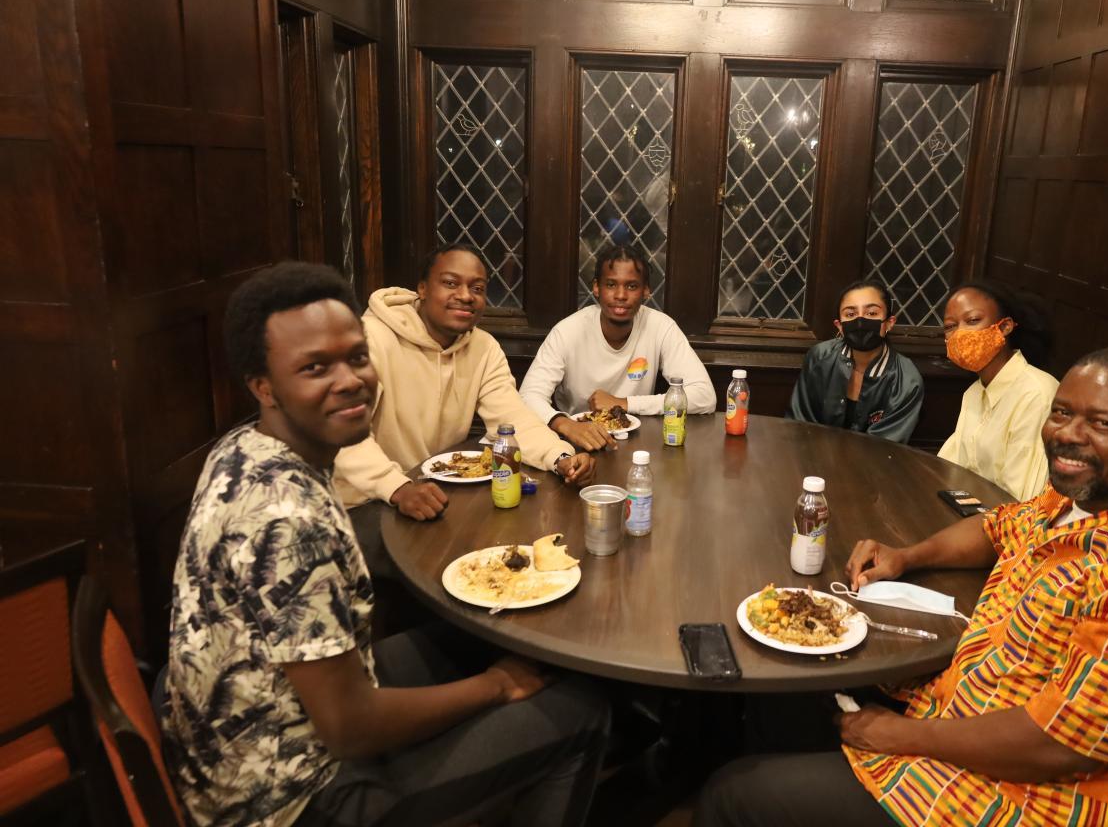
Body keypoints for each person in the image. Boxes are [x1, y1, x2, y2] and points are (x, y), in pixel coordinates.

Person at [693, 345, 1108, 827]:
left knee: (730, 795)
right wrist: (906, 556)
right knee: (780, 691)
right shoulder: (1077, 503)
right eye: (1063, 413)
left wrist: (898, 736)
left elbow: (1061, 743)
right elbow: (994, 528)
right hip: (959, 713)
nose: (1068, 434)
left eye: (1103, 424)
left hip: (1013, 796)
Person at [163, 262, 610, 827]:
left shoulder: (241, 449)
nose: (349, 379)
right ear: (263, 386)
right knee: (581, 710)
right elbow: (351, 726)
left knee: (471, 642)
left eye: (356, 357)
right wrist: (495, 687)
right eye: (314, 368)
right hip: (288, 796)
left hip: (250, 727)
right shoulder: (289, 519)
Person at [334, 244, 596, 520]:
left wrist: (561, 457)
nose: (465, 296)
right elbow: (344, 434)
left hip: (436, 491)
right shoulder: (368, 340)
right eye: (450, 283)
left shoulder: (484, 348)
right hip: (364, 501)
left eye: (477, 288)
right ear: (422, 289)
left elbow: (513, 420)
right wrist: (398, 487)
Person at [520, 244, 716, 452]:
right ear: (597, 287)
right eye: (611, 285)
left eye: (632, 286)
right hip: (576, 446)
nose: (621, 295)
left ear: (646, 290)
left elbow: (704, 397)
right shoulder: (568, 331)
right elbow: (528, 396)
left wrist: (624, 403)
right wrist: (567, 425)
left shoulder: (661, 327)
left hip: (638, 445)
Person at [938, 278, 1058, 500]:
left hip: (1006, 525)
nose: (960, 334)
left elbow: (1021, 499)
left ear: (1004, 327)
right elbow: (948, 468)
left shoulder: (1036, 393)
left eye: (972, 320)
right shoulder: (974, 393)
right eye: (950, 327)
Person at [785, 279, 924, 444]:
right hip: (816, 461)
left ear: (889, 322)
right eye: (850, 314)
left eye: (871, 313)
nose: (860, 321)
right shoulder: (820, 357)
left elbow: (886, 447)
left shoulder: (907, 380)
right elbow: (800, 422)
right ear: (839, 326)